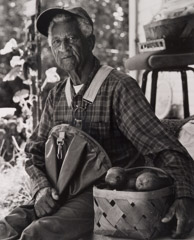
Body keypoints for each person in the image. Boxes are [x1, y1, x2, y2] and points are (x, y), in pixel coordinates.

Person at [1, 5, 194, 240]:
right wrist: (41, 188)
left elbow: (163, 146)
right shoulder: (56, 94)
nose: (63, 48)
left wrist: (185, 196)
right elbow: (34, 150)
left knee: (37, 233)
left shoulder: (118, 87)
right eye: (56, 42)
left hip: (101, 196)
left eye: (71, 38)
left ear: (90, 41)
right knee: (7, 226)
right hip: (57, 190)